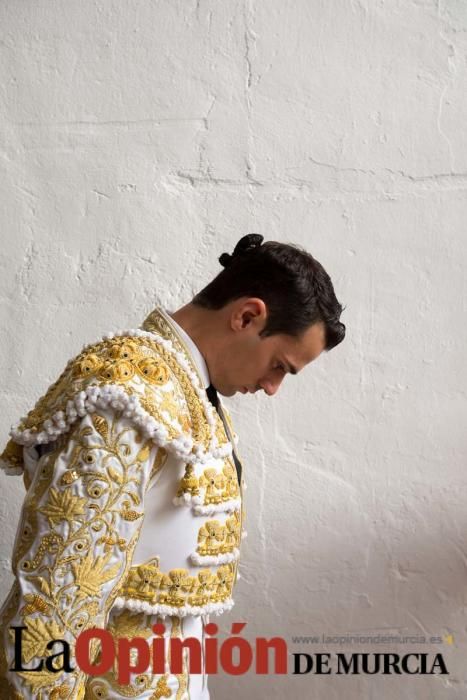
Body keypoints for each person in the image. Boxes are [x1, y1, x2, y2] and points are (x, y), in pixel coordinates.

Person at [0, 234, 345, 699]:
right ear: (247, 316)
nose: (271, 386)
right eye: (280, 365)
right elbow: (57, 600)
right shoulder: (129, 394)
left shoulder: (184, 388)